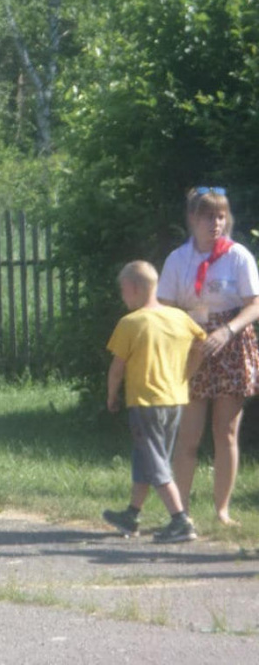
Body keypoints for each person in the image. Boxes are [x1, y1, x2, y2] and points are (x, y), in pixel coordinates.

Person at [157, 186, 259, 525]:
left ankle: (222, 510)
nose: (215, 223)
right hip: (191, 344)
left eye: (220, 215)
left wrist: (227, 331)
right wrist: (189, 335)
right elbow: (165, 307)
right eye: (207, 216)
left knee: (226, 432)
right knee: (189, 434)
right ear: (192, 219)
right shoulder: (177, 259)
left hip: (230, 342)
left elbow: (253, 304)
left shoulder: (238, 256)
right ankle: (181, 511)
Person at [103, 261, 206, 542]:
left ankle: (180, 520)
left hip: (145, 401)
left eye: (123, 290)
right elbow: (201, 345)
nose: (123, 296)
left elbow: (117, 367)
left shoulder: (131, 322)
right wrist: (186, 375)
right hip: (174, 399)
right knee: (145, 458)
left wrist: (112, 394)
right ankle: (132, 514)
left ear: (134, 288)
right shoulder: (179, 317)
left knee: (156, 462)